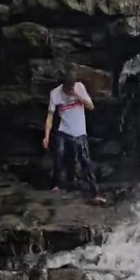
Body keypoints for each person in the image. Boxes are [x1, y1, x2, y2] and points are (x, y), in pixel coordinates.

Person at [43, 71, 107, 204]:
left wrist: (77, 95)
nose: (70, 90)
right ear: (63, 85)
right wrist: (46, 136)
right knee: (59, 156)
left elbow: (91, 106)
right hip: (64, 131)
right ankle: (56, 185)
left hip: (80, 132)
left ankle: (94, 192)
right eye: (68, 88)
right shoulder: (55, 94)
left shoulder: (80, 88)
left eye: (72, 87)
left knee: (85, 161)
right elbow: (50, 117)